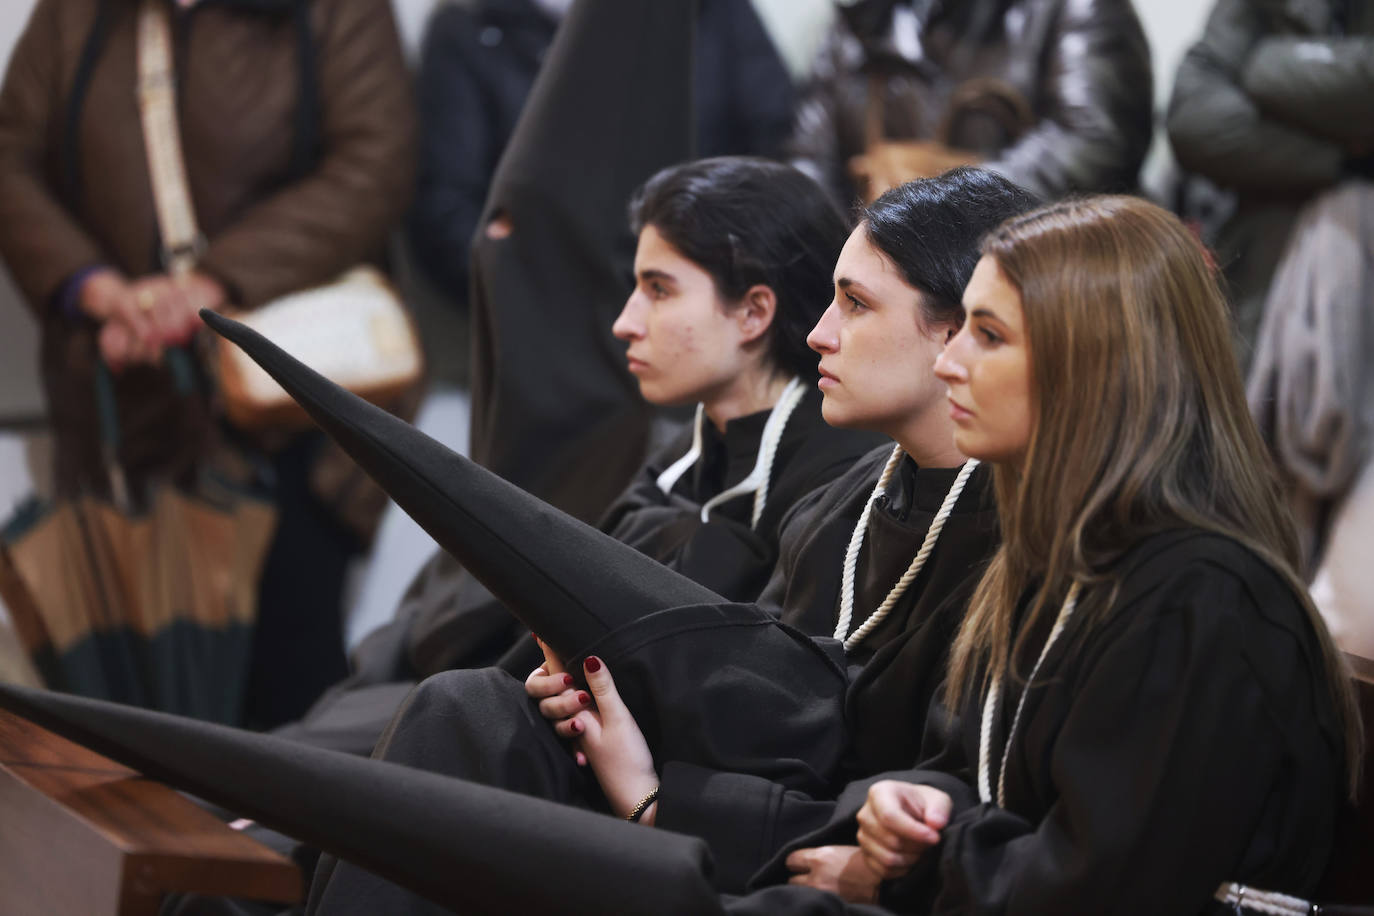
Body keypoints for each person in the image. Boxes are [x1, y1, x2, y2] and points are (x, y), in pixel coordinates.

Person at [290, 167, 1039, 910]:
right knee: (471, 710)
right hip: (726, 812)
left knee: (458, 736)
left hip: (799, 857)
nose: (818, 333)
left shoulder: (1016, 538)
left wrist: (654, 797)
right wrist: (605, 700)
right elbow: (757, 700)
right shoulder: (842, 506)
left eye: (856, 304)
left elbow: (909, 797)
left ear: (956, 329)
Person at [765, 196, 1360, 914]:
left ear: (1092, 365)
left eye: (987, 335)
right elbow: (970, 771)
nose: (949, 363)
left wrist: (905, 873)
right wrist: (910, 809)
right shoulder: (1055, 557)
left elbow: (1100, 890)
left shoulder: (1199, 600)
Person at [272, 156, 885, 756]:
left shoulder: (834, 476)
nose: (625, 322)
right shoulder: (687, 451)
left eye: (658, 290)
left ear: (753, 311)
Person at [0, 0, 417, 727]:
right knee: (132, 702)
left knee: (288, 704)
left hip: (289, 410)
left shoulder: (336, 13)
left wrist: (209, 285)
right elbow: (11, 158)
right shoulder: (73, 14)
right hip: (124, 411)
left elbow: (376, 161)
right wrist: (93, 288)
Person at [408, 0, 797, 313]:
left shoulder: (712, 11)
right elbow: (448, 213)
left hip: (714, 300)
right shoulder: (472, 30)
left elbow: (779, 147)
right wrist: (543, 301)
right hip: (550, 329)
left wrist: (726, 273)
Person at [786, 0, 1153, 205]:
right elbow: (810, 162)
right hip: (895, 283)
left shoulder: (1073, 8)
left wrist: (946, 190)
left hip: (1041, 283)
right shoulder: (862, 17)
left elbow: (1098, 143)